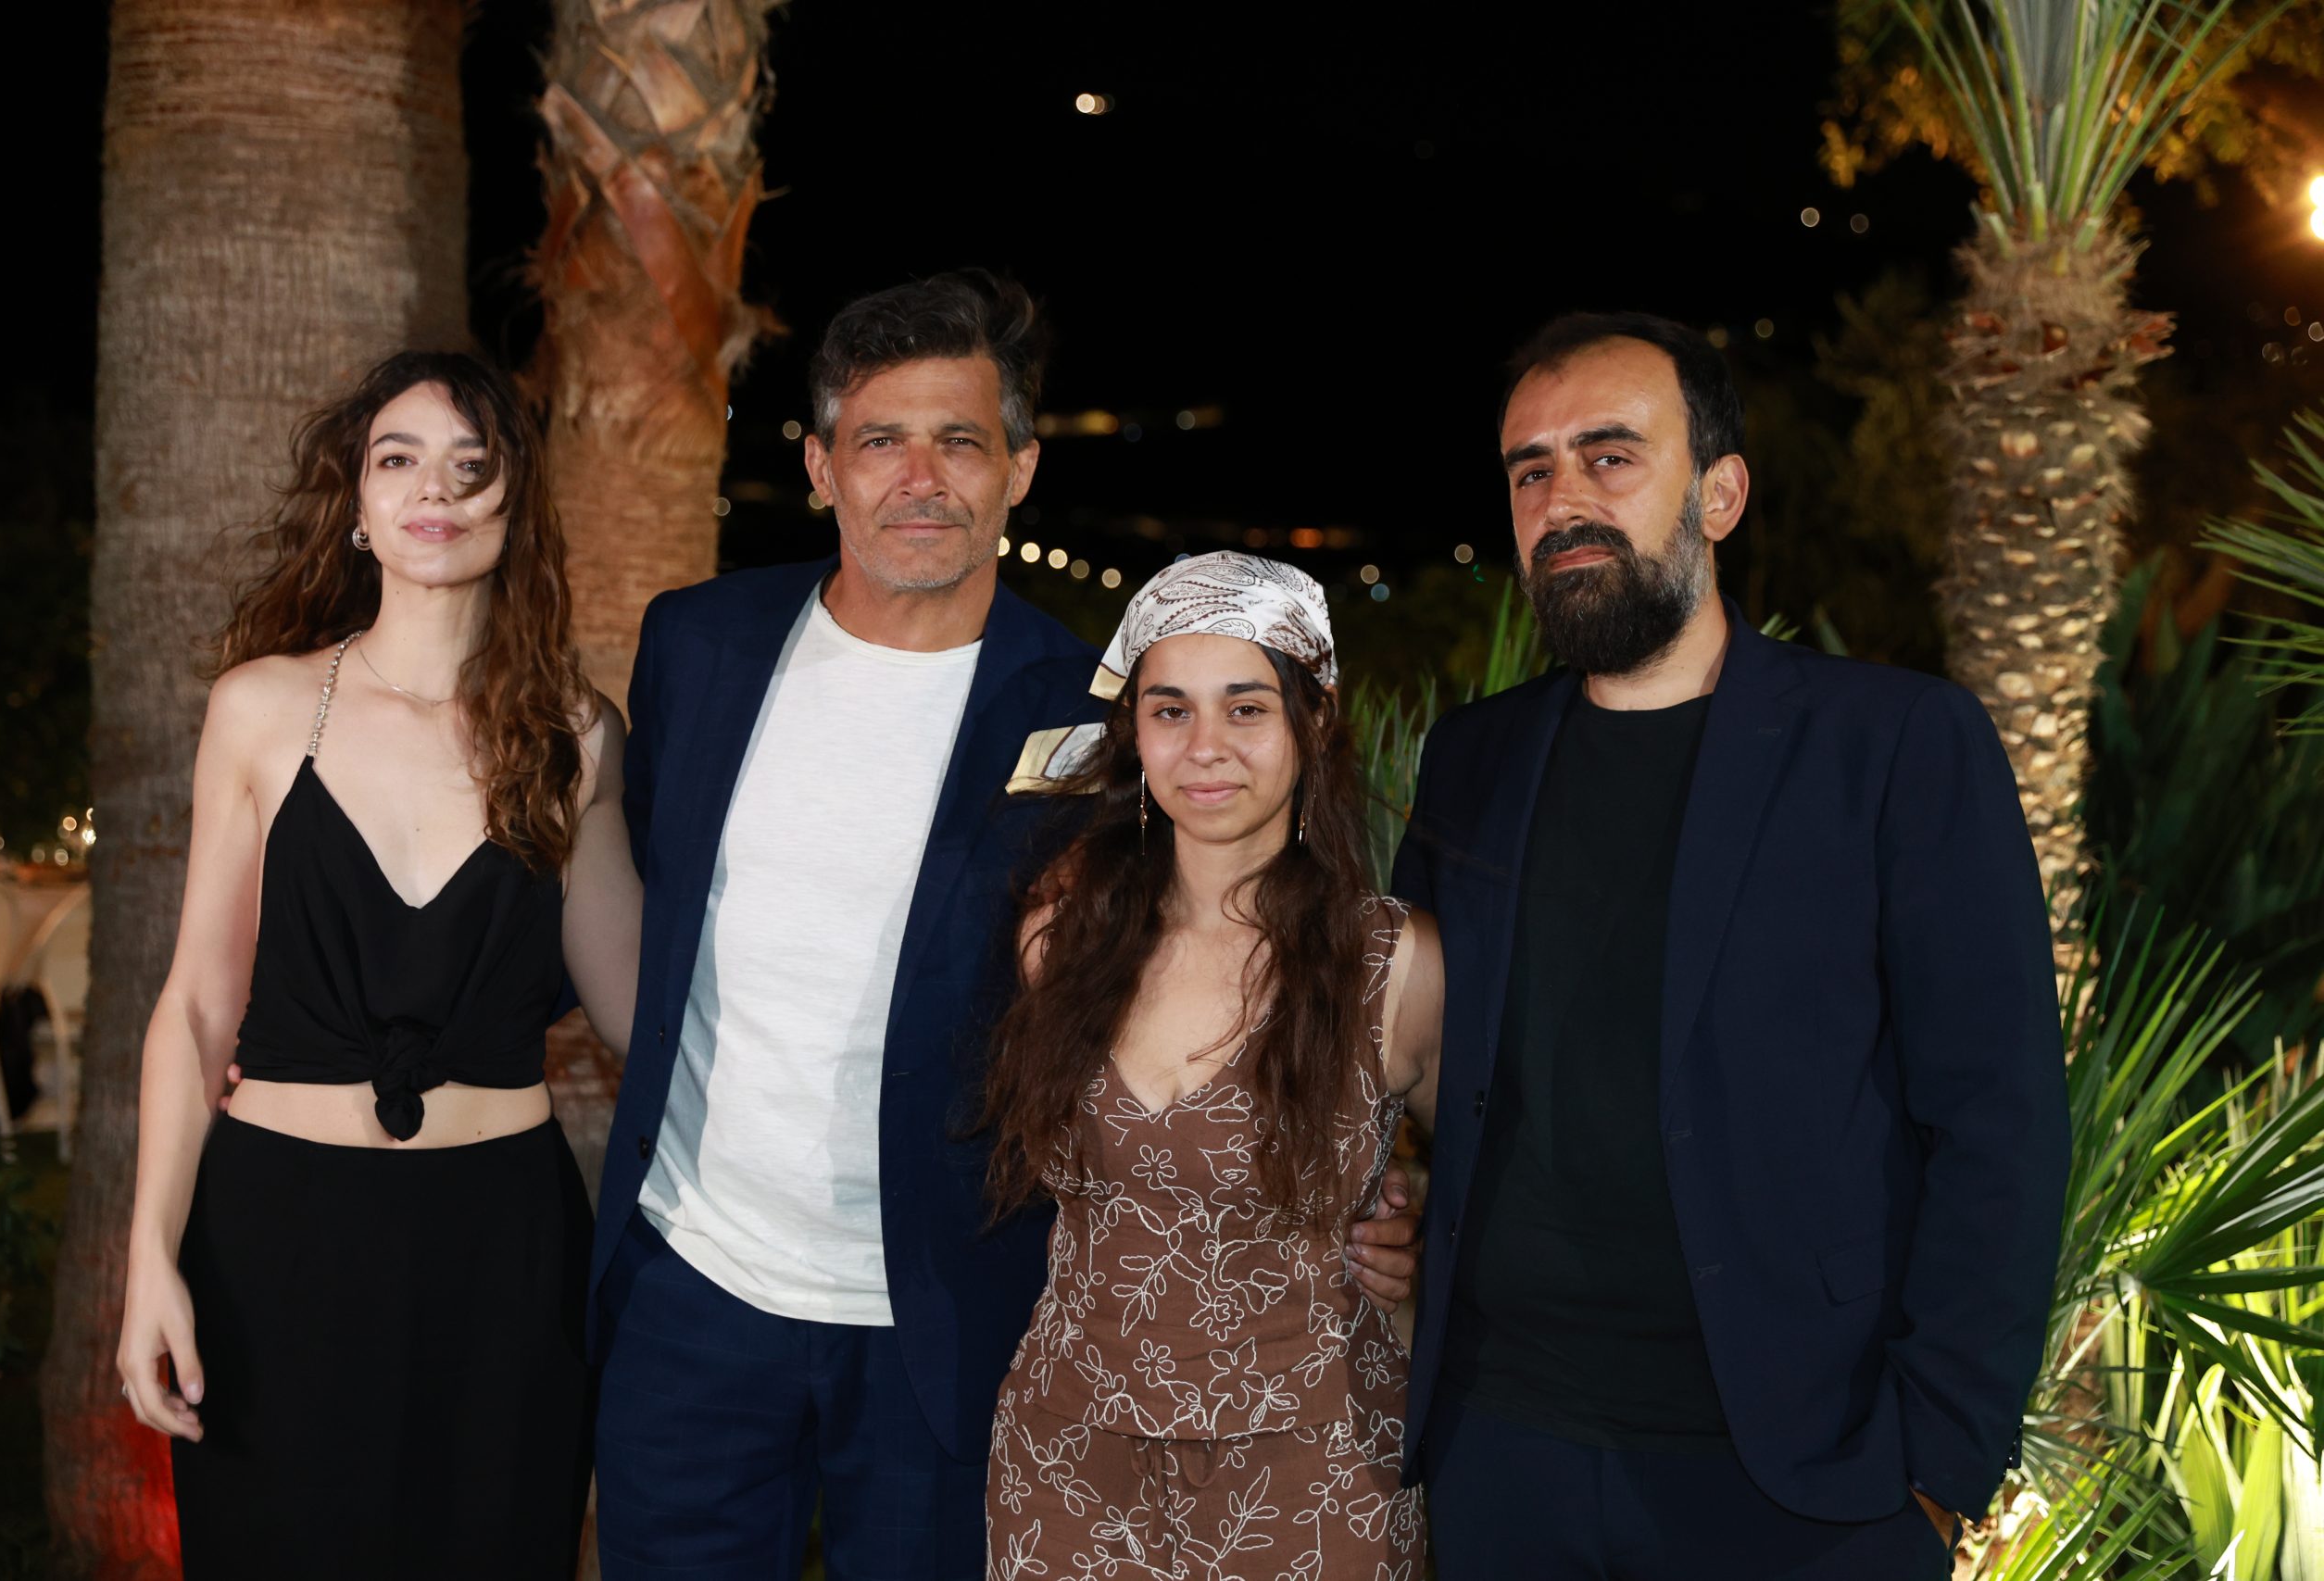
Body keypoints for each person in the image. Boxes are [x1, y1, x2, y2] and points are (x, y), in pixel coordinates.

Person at [589, 272, 1422, 1580]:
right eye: (881, 439)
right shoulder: (699, 643)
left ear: (1020, 468)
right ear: (820, 465)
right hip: (694, 1295)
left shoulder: (1094, 714)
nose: (921, 478)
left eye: (961, 441)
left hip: (948, 1316)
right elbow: (642, 894)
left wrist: (1376, 1177)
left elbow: (1217, 948)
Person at [1392, 311, 2069, 1579]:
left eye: (1609, 457)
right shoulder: (1472, 760)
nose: (1561, 500)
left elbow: (2001, 1118)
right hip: (1507, 1451)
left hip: (1803, 1477)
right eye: (1530, 471)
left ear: (1720, 493)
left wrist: (1936, 1466)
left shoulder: (1893, 746)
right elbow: (1435, 1066)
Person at [117, 350, 642, 1576]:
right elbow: (196, 1004)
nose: (433, 489)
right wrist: (148, 1257)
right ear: (358, 503)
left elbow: (640, 1010)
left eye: (472, 464)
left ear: (515, 504)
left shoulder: (576, 734)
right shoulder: (261, 706)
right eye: (398, 459)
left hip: (502, 1257)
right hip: (274, 1244)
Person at [980, 551, 1441, 1580]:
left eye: (1245, 708)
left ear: (1312, 722)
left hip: (1316, 1476)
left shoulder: (1393, 965)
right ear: (1133, 731)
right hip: (1068, 1467)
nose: (1205, 747)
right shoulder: (1061, 936)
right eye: (1170, 710)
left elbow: (1510, 1187)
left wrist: (1414, 1233)